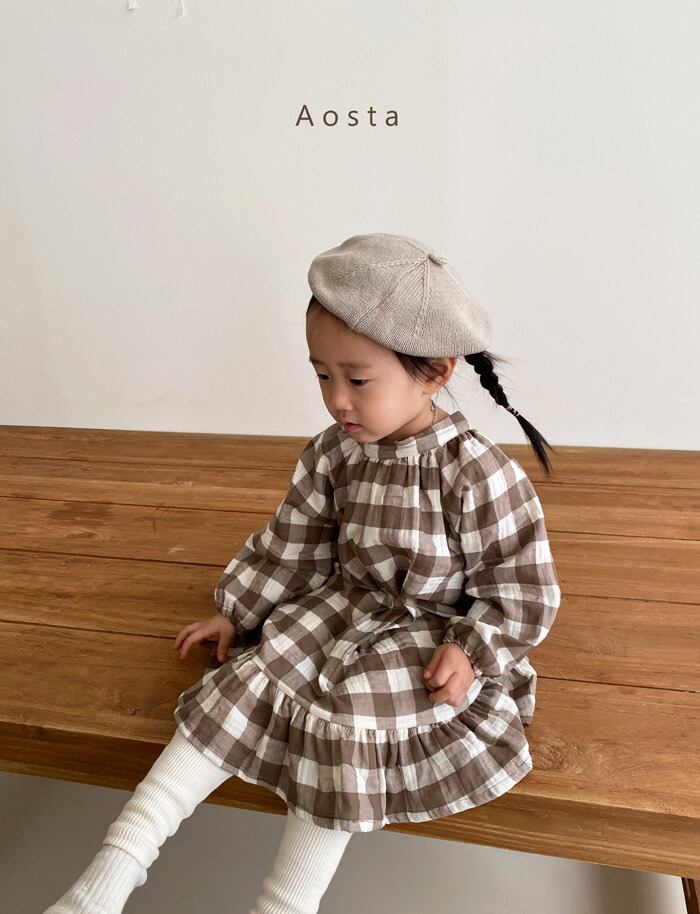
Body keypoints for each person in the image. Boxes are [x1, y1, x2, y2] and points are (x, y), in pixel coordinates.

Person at [44, 233, 561, 914]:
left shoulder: (478, 474)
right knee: (243, 686)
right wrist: (238, 610)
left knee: (348, 729)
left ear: (435, 372)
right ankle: (110, 874)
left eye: (358, 379)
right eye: (322, 376)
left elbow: (518, 585)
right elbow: (294, 543)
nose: (337, 400)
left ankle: (284, 905)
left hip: (421, 639)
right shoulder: (334, 454)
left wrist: (470, 650)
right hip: (337, 611)